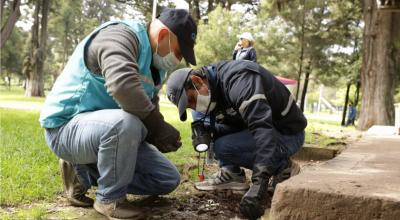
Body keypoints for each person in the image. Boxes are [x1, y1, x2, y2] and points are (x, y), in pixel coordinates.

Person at [39, 8, 197, 220]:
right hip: (66, 128)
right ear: (162, 36)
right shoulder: (120, 36)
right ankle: (109, 199)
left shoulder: (156, 67)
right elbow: (123, 86)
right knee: (127, 123)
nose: (177, 60)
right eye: (178, 52)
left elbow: (148, 104)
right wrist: (157, 126)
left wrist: (156, 135)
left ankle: (84, 171)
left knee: (167, 179)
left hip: (110, 133)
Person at [166, 60, 307, 219]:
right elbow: (237, 125)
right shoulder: (212, 89)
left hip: (287, 132)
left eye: (190, 100)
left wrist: (258, 186)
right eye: (188, 106)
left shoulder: (240, 80)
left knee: (224, 147)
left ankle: (283, 167)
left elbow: (262, 129)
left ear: (198, 81)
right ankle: (233, 174)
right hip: (265, 130)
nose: (193, 107)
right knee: (221, 145)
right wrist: (209, 130)